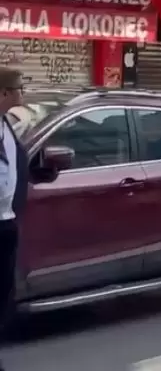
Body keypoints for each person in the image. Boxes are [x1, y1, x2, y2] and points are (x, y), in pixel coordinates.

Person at [0, 69, 23, 370]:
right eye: (19, 89)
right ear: (4, 93)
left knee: (3, 294)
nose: (23, 94)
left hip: (6, 221)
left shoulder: (7, 124)